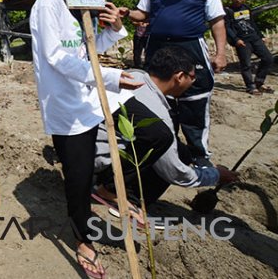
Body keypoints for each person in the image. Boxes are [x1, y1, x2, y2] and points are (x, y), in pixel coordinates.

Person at [29, 0, 141, 279]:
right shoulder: (50, 1)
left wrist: (115, 31)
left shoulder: (81, 2)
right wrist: (110, 77)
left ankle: (106, 192)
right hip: (65, 105)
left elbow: (84, 49)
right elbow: (57, 57)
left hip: (87, 97)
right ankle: (83, 239)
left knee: (131, 143)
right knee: (76, 177)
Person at [95, 47, 238, 208]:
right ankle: (118, 194)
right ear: (180, 77)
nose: (193, 82)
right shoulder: (158, 114)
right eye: (192, 77)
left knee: (182, 151)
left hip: (89, 149)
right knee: (163, 140)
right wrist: (215, 175)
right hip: (100, 162)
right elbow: (174, 171)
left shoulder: (133, 76)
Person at [125, 0, 227, 163]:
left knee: (195, 101)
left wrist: (221, 53)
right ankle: (166, 153)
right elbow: (142, 14)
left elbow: (217, 21)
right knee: (159, 99)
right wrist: (128, 13)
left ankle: (199, 156)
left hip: (191, 48)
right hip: (159, 49)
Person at [225, 0, 274, 95]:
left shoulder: (246, 8)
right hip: (242, 41)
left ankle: (259, 81)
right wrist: (235, 39)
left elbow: (252, 23)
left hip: (254, 38)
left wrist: (260, 35)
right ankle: (250, 86)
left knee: (268, 58)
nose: (238, 0)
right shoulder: (228, 11)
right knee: (246, 64)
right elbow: (227, 27)